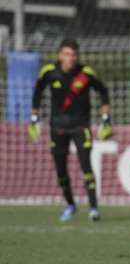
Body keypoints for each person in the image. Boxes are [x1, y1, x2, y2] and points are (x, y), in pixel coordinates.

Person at [29, 38, 112, 222]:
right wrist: (34, 119)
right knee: (60, 170)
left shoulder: (86, 73)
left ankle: (93, 209)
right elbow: (37, 92)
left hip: (81, 126)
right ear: (59, 55)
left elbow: (103, 92)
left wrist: (106, 119)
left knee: (86, 166)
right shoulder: (49, 72)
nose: (70, 58)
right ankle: (70, 205)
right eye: (66, 54)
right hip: (57, 127)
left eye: (73, 55)